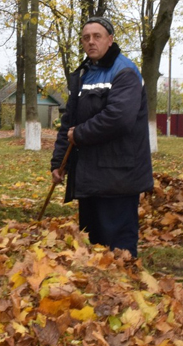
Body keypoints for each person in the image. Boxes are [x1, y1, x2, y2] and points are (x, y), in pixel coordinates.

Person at [50, 17, 153, 257]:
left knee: (118, 247)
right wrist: (59, 163)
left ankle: (126, 289)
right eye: (86, 38)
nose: (91, 42)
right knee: (92, 243)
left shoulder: (124, 71)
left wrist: (81, 134)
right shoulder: (84, 74)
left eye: (97, 36)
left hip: (118, 176)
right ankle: (100, 291)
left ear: (110, 39)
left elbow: (119, 118)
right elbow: (70, 122)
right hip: (90, 176)